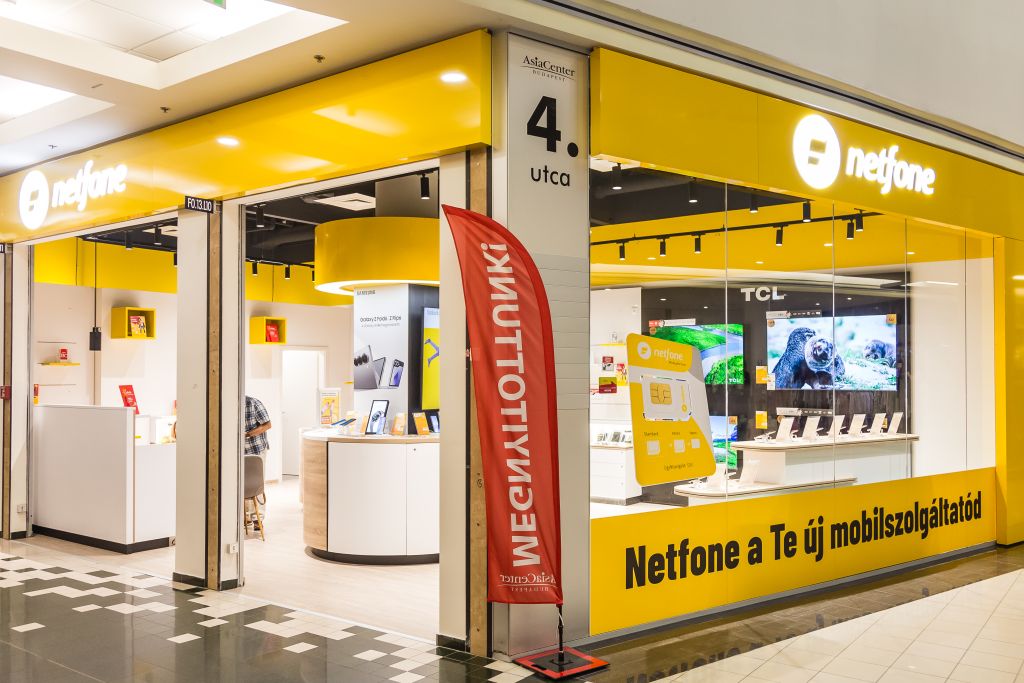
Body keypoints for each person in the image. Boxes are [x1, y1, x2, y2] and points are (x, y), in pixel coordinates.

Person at [244, 395, 272, 529]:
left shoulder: (254, 403)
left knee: (257, 483)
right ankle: (247, 516)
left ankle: (258, 518)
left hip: (257, 449)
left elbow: (267, 425)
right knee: (244, 484)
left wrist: (247, 434)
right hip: (241, 450)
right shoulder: (231, 404)